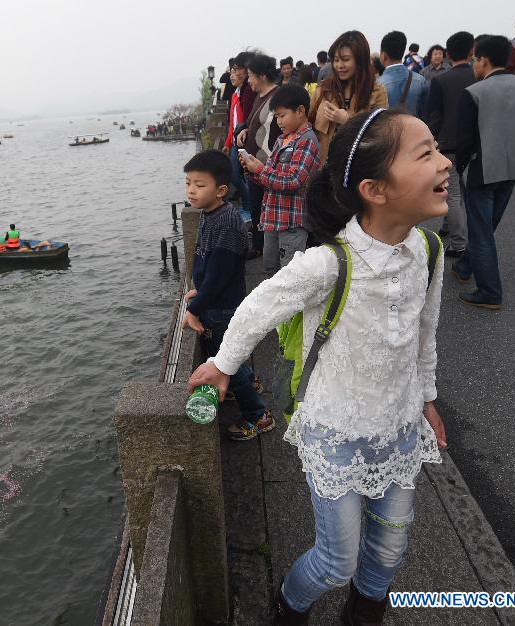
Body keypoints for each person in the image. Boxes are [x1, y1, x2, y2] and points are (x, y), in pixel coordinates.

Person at [189, 108, 450, 624]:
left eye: (437, 148)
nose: (445, 163)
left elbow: (425, 335)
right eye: (426, 154)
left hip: (398, 427)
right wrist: (223, 364)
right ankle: (289, 603)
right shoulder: (330, 262)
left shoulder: (430, 249)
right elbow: (258, 306)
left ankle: (365, 610)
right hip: (335, 431)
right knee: (336, 559)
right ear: (375, 189)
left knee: (389, 552)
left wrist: (428, 399)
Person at [182, 150, 274, 440]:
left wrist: (195, 308)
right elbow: (213, 267)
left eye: (199, 184)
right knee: (229, 356)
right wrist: (200, 288)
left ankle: (257, 416)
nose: (191, 190)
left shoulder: (224, 223)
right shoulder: (214, 214)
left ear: (221, 190)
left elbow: (220, 274)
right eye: (188, 183)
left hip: (222, 307)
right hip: (221, 301)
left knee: (226, 362)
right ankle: (247, 382)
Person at [452, 35, 515, 309]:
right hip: (513, 166)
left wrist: (462, 166)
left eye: (475, 59)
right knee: (487, 226)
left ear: (484, 60)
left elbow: (464, 141)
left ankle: (490, 291)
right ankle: (465, 267)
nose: (474, 64)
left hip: (481, 169)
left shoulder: (474, 92)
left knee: (481, 231)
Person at [240, 84, 322, 275]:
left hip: (291, 222)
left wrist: (260, 169)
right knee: (271, 270)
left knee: (290, 275)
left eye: (282, 115)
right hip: (272, 219)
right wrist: (252, 170)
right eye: (276, 116)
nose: (278, 121)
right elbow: (270, 177)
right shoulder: (281, 140)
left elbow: (294, 181)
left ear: (300, 111)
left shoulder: (307, 141)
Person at [426, 31, 476, 256]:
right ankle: (453, 229)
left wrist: (430, 143)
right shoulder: (480, 77)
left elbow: (435, 117)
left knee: (453, 193)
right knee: (468, 193)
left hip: (448, 144)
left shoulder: (440, 80)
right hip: (476, 145)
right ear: (471, 51)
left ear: (447, 54)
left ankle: (459, 244)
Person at [309, 31, 389, 163]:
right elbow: (309, 124)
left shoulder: (377, 91)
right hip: (326, 166)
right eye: (336, 60)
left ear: (360, 60)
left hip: (360, 165)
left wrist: (347, 119)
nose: (339, 65)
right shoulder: (323, 90)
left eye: (346, 60)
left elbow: (381, 132)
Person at [235, 54, 282, 259]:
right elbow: (257, 122)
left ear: (262, 76)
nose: (249, 80)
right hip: (254, 164)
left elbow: (276, 132)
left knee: (262, 208)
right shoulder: (259, 96)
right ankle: (259, 245)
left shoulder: (277, 98)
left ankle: (261, 248)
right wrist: (246, 129)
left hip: (265, 165)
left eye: (252, 76)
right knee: (256, 208)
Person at [223, 51, 258, 221]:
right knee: (239, 175)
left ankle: (249, 207)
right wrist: (228, 142)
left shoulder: (247, 92)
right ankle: (247, 206)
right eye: (231, 71)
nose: (233, 74)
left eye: (236, 70)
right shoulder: (236, 94)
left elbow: (247, 119)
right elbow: (233, 123)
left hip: (243, 140)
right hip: (237, 139)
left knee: (238, 175)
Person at [378, 31, 429, 119]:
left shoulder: (377, 84)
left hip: (388, 131)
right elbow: (426, 115)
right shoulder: (421, 81)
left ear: (384, 55)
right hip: (416, 131)